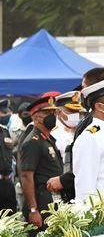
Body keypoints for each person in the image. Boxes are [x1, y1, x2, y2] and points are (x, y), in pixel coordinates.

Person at [19, 93, 63, 227]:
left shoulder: (47, 139)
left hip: (53, 199)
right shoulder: (33, 141)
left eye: (53, 112)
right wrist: (33, 210)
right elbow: (26, 176)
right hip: (41, 200)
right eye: (47, 113)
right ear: (35, 117)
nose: (52, 116)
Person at [51, 91, 84, 160]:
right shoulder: (52, 133)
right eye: (71, 111)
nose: (76, 114)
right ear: (58, 112)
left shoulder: (82, 129)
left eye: (77, 111)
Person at [0, 99, 16, 211]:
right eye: (3, 113)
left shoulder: (5, 131)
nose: (7, 115)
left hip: (7, 181)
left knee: (11, 215)